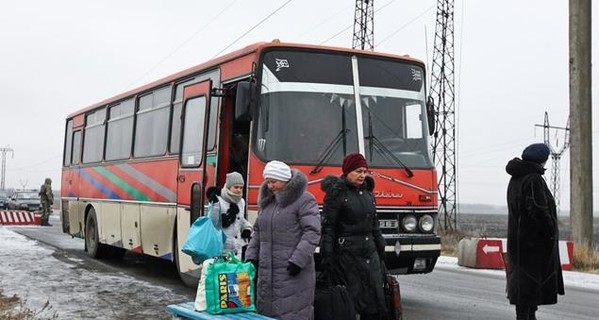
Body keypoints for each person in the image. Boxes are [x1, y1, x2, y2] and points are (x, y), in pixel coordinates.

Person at [245, 160, 321, 320]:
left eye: (273, 181)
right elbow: (258, 231)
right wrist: (251, 257)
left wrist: (298, 261)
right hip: (267, 271)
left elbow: (312, 232)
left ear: (285, 180)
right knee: (267, 312)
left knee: (291, 312)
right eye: (267, 181)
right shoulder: (268, 202)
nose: (269, 186)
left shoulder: (305, 200)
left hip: (292, 271)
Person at [320, 152, 387, 320]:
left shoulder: (368, 194)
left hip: (369, 253)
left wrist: (380, 246)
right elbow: (329, 227)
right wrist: (327, 255)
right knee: (351, 299)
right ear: (347, 171)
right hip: (346, 256)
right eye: (358, 171)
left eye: (365, 171)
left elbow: (374, 224)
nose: (362, 175)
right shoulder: (336, 194)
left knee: (374, 298)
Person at [505, 143, 565, 320]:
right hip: (532, 246)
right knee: (529, 291)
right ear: (542, 160)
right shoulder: (533, 180)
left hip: (518, 244)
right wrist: (550, 231)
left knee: (524, 293)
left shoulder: (516, 178)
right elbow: (538, 210)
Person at [206, 172, 253, 259]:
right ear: (228, 186)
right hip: (220, 250)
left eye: (241, 188)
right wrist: (215, 206)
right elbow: (212, 223)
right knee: (222, 272)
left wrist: (247, 228)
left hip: (237, 250)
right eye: (236, 187)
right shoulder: (217, 200)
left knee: (235, 272)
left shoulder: (241, 202)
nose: (239, 190)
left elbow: (241, 220)